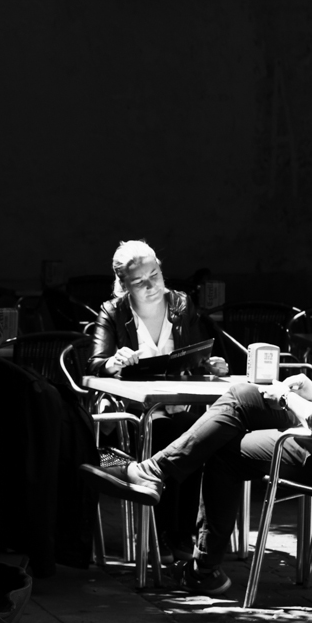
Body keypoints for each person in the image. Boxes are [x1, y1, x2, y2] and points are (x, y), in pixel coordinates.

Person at [79, 253, 312, 595]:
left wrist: (289, 399)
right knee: (244, 395)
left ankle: (202, 566)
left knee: (224, 451)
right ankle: (156, 472)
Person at [88, 239, 228, 561]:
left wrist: (210, 365)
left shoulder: (181, 304)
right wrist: (114, 362)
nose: (152, 286)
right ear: (124, 286)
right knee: (172, 432)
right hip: (132, 419)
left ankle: (183, 535)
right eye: (139, 282)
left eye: (155, 275)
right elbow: (94, 364)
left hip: (178, 407)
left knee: (197, 430)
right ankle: (163, 535)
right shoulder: (112, 311)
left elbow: (194, 356)